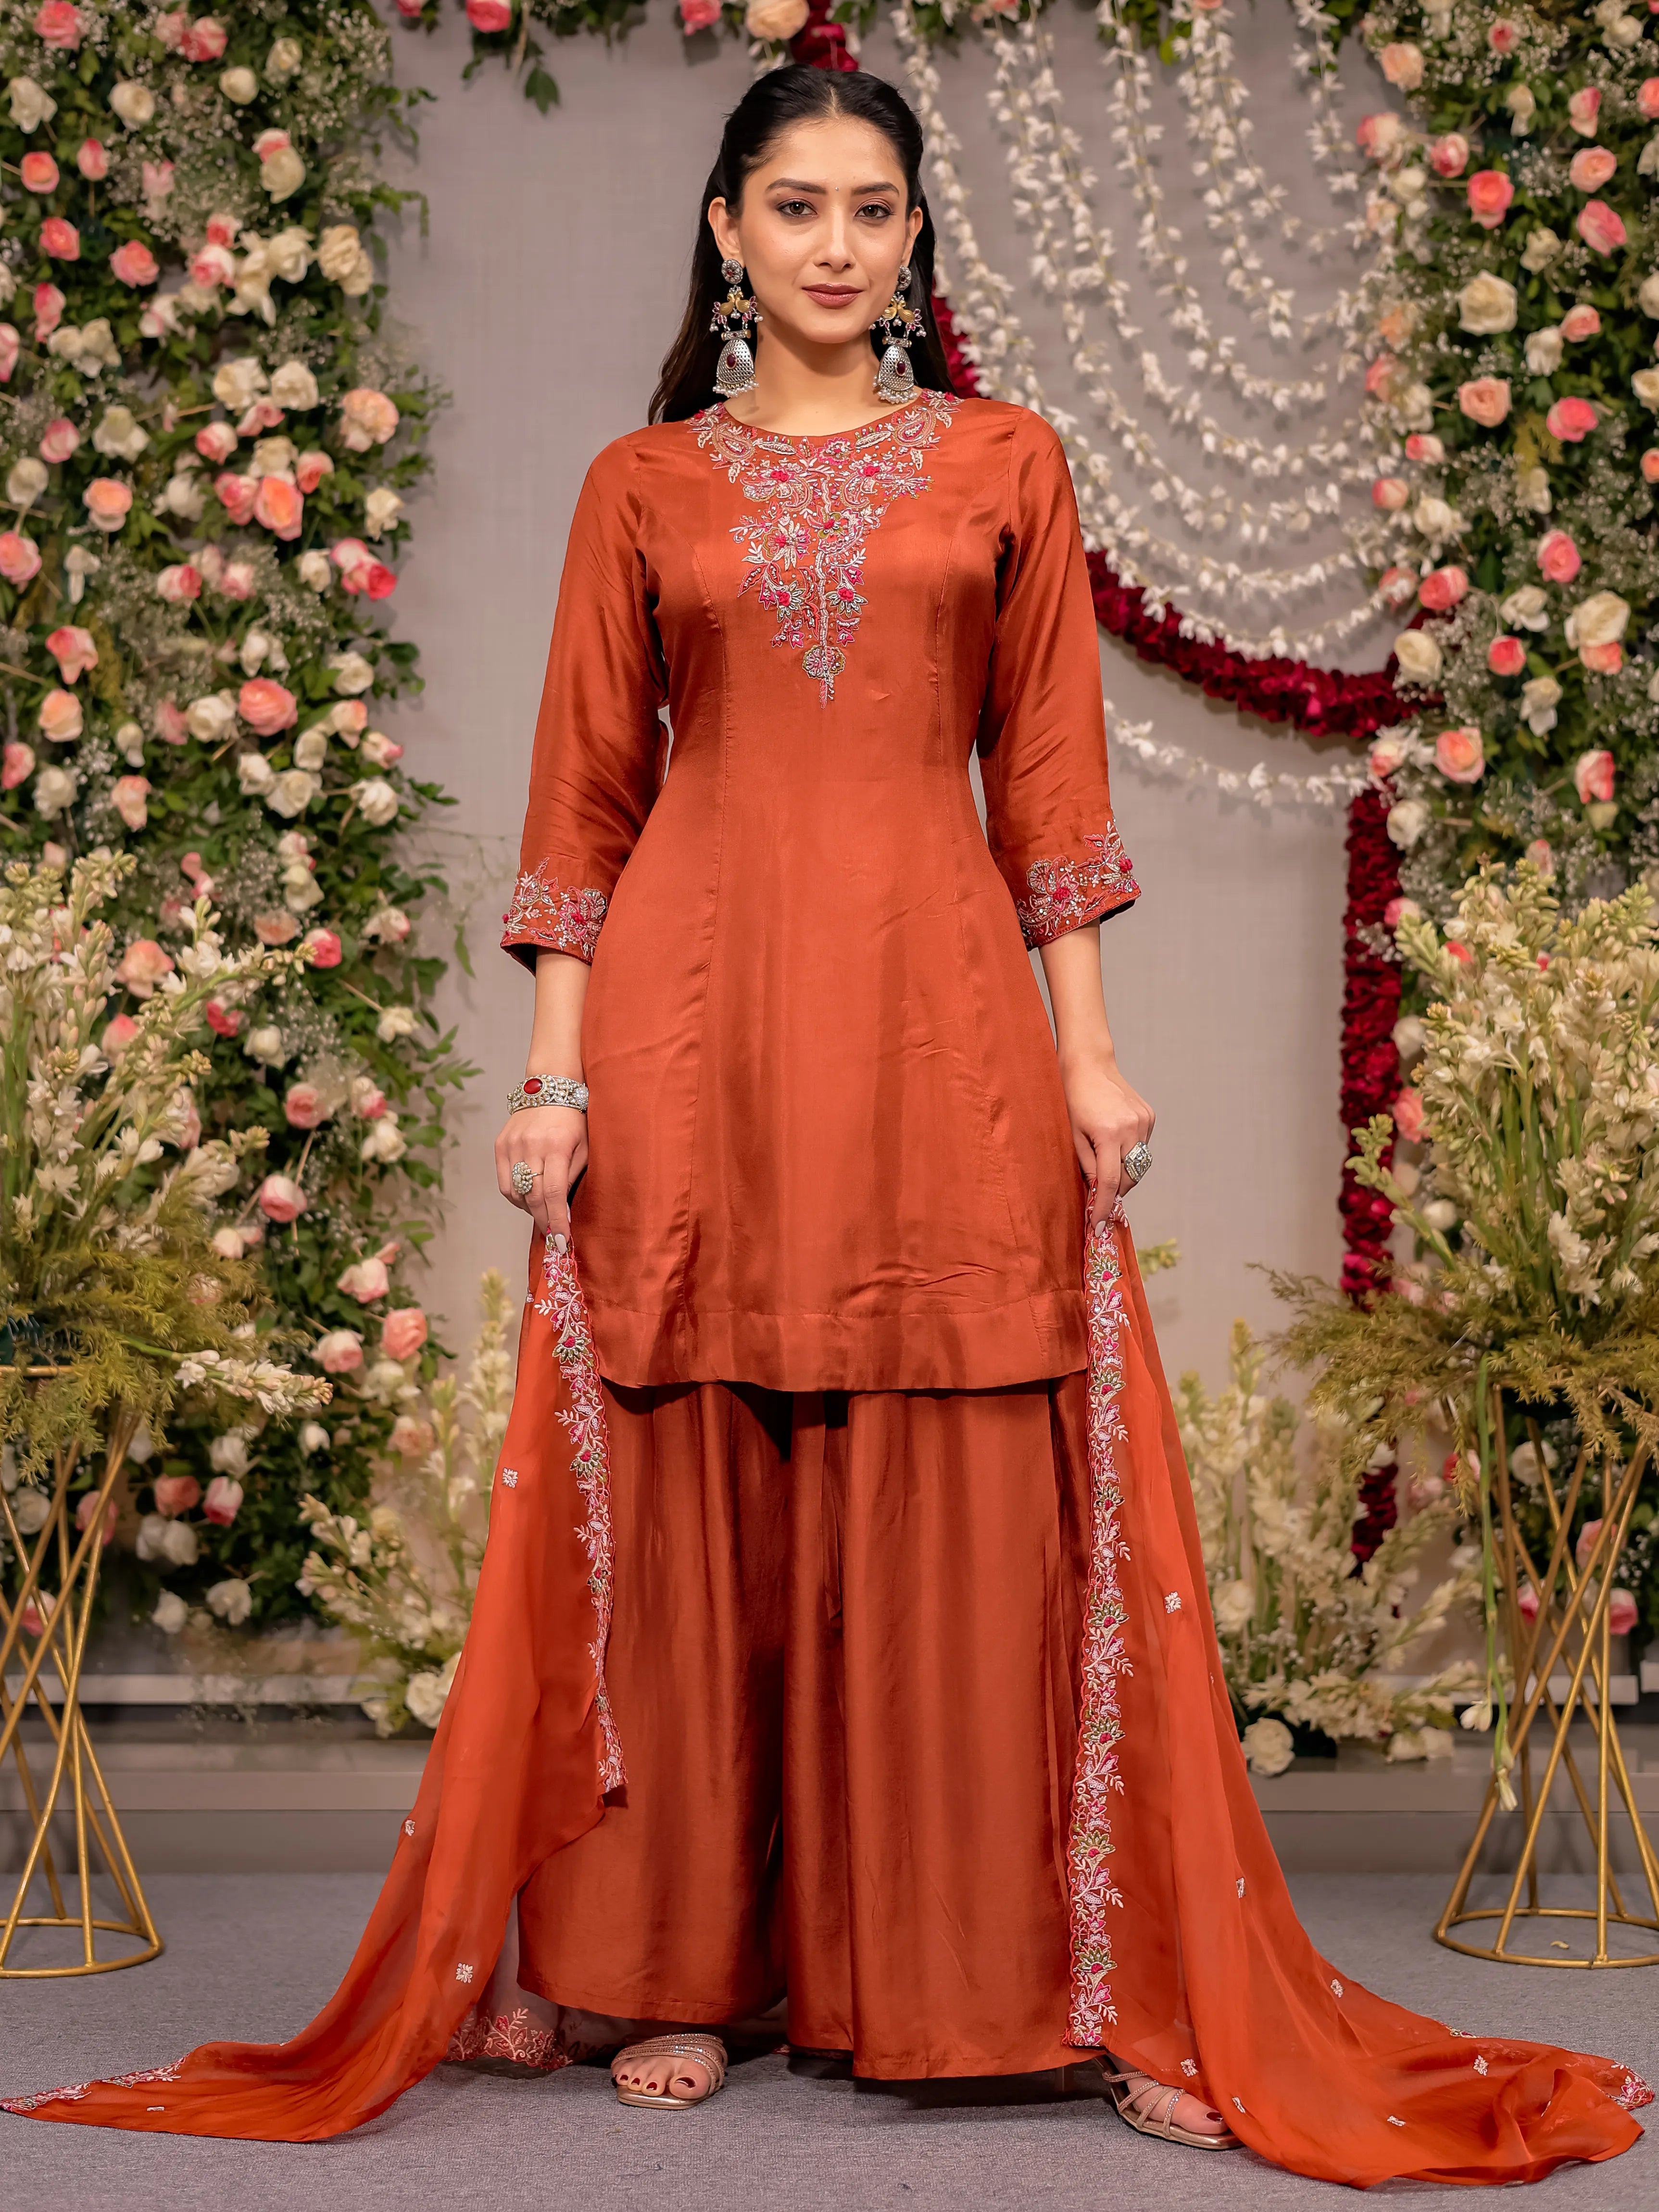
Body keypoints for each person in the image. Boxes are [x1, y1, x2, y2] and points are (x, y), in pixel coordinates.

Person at [3, 65, 1648, 2185]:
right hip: (689, 1023)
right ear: (723, 231)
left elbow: (1049, 792)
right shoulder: (638, 487)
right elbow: (581, 800)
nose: (838, 246)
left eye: (873, 209)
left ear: (910, 238)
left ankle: (1008, 1978)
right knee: (685, 1470)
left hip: (938, 1016)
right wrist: (555, 1072)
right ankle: (671, 1963)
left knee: (961, 1464)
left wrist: (1085, 1055)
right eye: (795, 206)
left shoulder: (1005, 465)